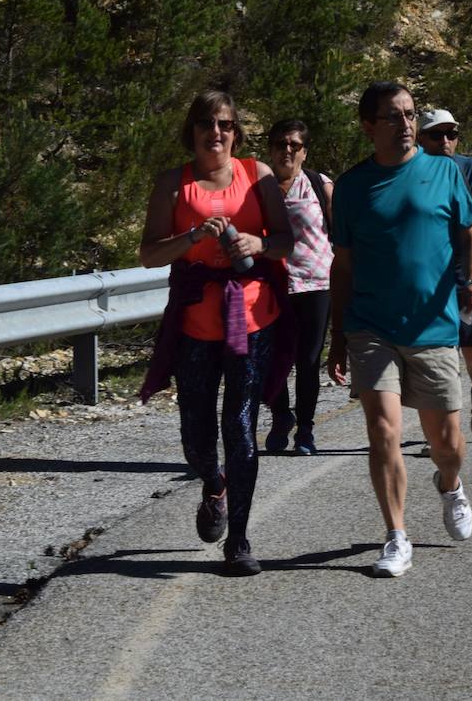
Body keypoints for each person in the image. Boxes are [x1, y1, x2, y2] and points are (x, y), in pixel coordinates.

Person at [327, 81, 472, 578]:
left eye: (410, 114)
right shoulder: (352, 186)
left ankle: (449, 483)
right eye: (393, 116)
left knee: (447, 444)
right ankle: (396, 537)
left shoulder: (444, 171)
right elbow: (343, 267)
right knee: (383, 432)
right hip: (370, 326)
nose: (405, 125)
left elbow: (471, 234)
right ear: (368, 126)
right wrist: (336, 337)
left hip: (433, 325)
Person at [138, 90, 294, 577]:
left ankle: (240, 541)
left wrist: (259, 242)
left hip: (250, 320)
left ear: (236, 132)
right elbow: (148, 254)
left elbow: (287, 240)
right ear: (193, 131)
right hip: (194, 325)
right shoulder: (173, 184)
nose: (217, 132)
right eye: (207, 123)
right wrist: (192, 238)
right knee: (196, 434)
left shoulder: (257, 176)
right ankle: (213, 482)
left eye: (225, 124)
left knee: (240, 426)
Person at [417, 109, 472, 440]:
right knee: (439, 354)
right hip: (428, 280)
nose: (445, 141)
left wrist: (471, 237)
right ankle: (441, 431)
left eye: (451, 134)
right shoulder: (411, 174)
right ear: (420, 138)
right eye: (437, 135)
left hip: (470, 278)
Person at [262, 119, 334, 455]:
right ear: (270, 149)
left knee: (307, 360)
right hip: (271, 284)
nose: (286, 150)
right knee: (271, 359)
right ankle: (281, 417)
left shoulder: (321, 186)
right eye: (280, 143)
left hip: (317, 283)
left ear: (304, 151)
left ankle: (305, 430)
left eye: (294, 145)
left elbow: (339, 236)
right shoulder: (256, 188)